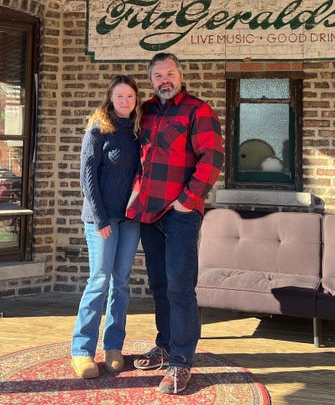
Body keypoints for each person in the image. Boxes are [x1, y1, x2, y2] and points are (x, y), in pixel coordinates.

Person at [126, 52, 223, 395]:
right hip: (149, 214)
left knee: (181, 287)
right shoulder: (146, 111)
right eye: (157, 76)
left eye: (169, 74)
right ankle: (165, 344)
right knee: (160, 285)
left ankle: (181, 361)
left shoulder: (199, 110)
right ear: (150, 80)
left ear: (180, 76)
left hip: (181, 214)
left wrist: (186, 201)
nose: (164, 80)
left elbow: (212, 160)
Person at [71, 75, 142, 380]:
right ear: (110, 98)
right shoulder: (99, 130)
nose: (125, 101)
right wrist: (100, 220)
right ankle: (82, 350)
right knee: (99, 281)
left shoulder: (138, 132)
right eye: (120, 96)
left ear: (136, 99)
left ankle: (113, 346)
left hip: (130, 218)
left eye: (130, 96)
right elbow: (87, 177)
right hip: (101, 219)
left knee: (122, 281)